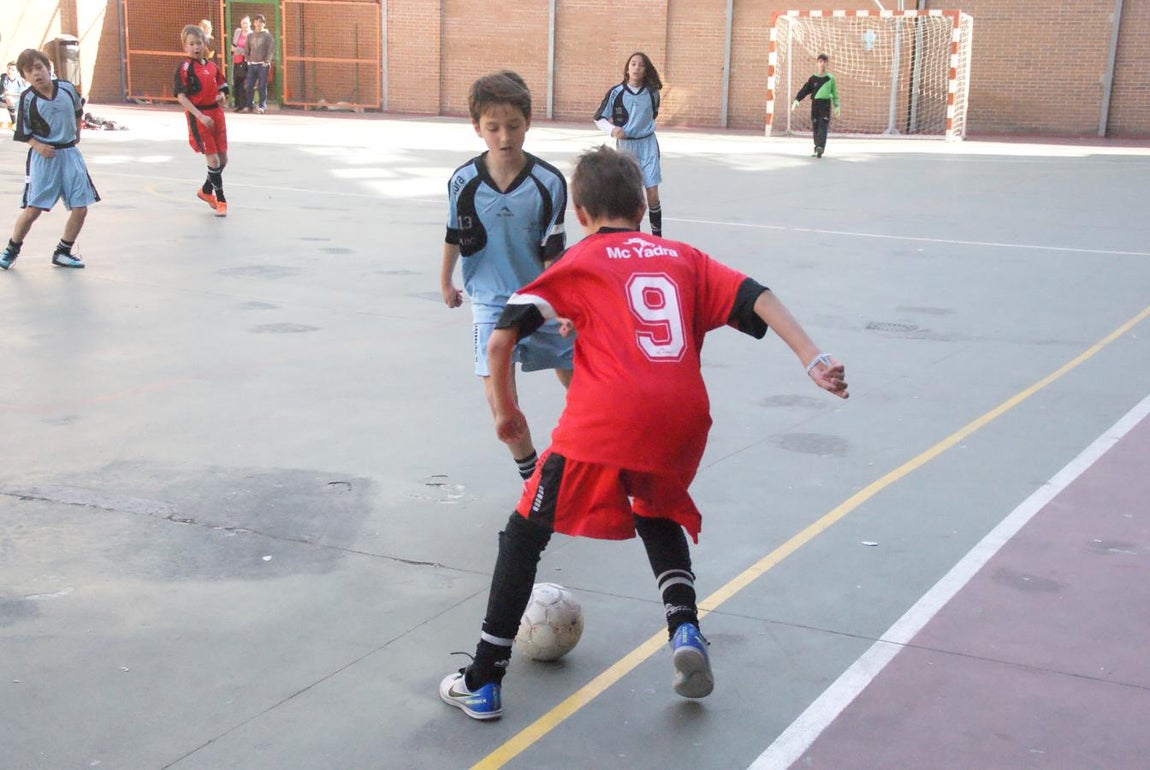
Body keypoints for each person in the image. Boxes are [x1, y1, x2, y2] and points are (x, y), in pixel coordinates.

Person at [438, 146, 849, 720]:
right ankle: (685, 629)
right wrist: (812, 356)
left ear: (579, 212)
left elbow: (503, 337)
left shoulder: (577, 262)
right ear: (640, 203)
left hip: (605, 419)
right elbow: (757, 295)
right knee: (654, 506)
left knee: (524, 534)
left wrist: (507, 414)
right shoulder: (682, 257)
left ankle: (482, 678)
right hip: (683, 418)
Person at [440, 71, 573, 482]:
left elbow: (554, 252)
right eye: (493, 127)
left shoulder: (548, 182)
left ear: (528, 122)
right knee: (502, 405)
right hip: (490, 301)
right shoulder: (462, 181)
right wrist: (445, 280)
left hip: (539, 296)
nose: (503, 136)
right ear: (476, 126)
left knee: (583, 382)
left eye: (513, 126)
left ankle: (590, 453)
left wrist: (563, 307)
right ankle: (533, 477)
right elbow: (453, 233)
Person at [0, 49, 98, 270]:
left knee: (80, 206)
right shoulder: (28, 98)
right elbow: (22, 132)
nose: (36, 74)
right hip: (45, 157)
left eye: (39, 67)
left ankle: (63, 251)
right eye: (29, 71)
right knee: (33, 208)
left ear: (48, 68)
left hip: (69, 154)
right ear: (25, 77)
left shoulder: (66, 89)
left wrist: (77, 134)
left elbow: (78, 111)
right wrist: (38, 146)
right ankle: (11, 249)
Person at [594, 52, 664, 236]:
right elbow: (599, 118)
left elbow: (653, 114)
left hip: (647, 144)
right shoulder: (616, 93)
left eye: (641, 65)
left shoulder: (652, 93)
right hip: (626, 147)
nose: (636, 68)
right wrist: (612, 130)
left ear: (646, 69)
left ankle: (658, 235)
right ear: (627, 69)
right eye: (633, 64)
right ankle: (636, 233)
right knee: (633, 194)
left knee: (652, 193)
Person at [174, 24, 230, 217]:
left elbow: (223, 86)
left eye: (199, 43)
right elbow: (181, 96)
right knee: (212, 159)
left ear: (204, 44)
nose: (196, 47)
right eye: (191, 44)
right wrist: (200, 115)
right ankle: (221, 199)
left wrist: (222, 96)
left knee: (223, 159)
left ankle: (206, 190)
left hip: (216, 115)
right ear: (185, 47)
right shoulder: (184, 69)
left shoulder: (212, 66)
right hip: (199, 116)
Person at [791, 53, 840, 158]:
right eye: (820, 62)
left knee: (823, 125)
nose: (822, 64)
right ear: (817, 63)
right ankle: (816, 147)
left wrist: (837, 106)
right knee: (816, 126)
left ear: (827, 64)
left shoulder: (830, 78)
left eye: (825, 62)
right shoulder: (813, 79)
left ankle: (820, 147)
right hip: (815, 105)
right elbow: (805, 90)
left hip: (825, 105)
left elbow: (835, 93)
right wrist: (797, 100)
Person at [243, 14, 274, 114]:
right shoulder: (250, 36)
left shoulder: (267, 36)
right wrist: (247, 60)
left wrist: (267, 61)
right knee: (249, 85)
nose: (258, 24)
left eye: (260, 22)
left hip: (262, 65)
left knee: (262, 86)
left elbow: (271, 49)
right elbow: (246, 48)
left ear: (264, 23)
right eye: (256, 21)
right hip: (252, 64)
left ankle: (262, 106)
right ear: (254, 23)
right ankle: (249, 106)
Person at [231, 15, 251, 112]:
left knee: (245, 84)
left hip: (245, 62)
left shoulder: (251, 34)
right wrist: (237, 51)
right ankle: (238, 104)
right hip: (236, 61)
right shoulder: (237, 32)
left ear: (250, 24)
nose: (244, 25)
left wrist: (238, 50)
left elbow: (248, 51)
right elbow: (232, 47)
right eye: (243, 23)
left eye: (246, 23)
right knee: (236, 83)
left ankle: (246, 105)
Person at [2, 61, 26, 127]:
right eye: (8, 68)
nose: (10, 71)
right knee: (8, 98)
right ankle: (14, 122)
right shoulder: (4, 78)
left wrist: (11, 94)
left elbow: (22, 94)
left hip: (17, 99)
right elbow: (4, 92)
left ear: (17, 72)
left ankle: (18, 122)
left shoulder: (21, 80)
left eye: (12, 69)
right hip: (4, 99)